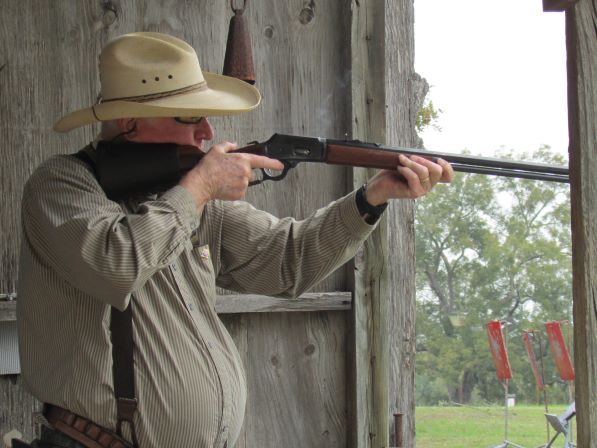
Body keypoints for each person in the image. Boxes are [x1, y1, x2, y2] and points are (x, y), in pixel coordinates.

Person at [16, 32, 454, 448]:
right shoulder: (63, 184)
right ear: (130, 121)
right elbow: (114, 265)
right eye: (190, 116)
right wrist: (199, 188)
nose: (207, 131)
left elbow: (289, 261)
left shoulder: (187, 195)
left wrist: (372, 197)